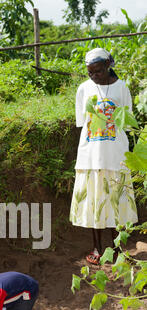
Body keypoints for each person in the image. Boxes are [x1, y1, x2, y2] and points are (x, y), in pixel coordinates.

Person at [69, 48, 138, 265]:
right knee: (94, 204)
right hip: (91, 156)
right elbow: (83, 123)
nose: (94, 76)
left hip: (115, 154)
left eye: (98, 71)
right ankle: (98, 249)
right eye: (90, 72)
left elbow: (126, 122)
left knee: (117, 204)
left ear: (108, 65)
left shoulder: (122, 88)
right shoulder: (83, 89)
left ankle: (118, 249)